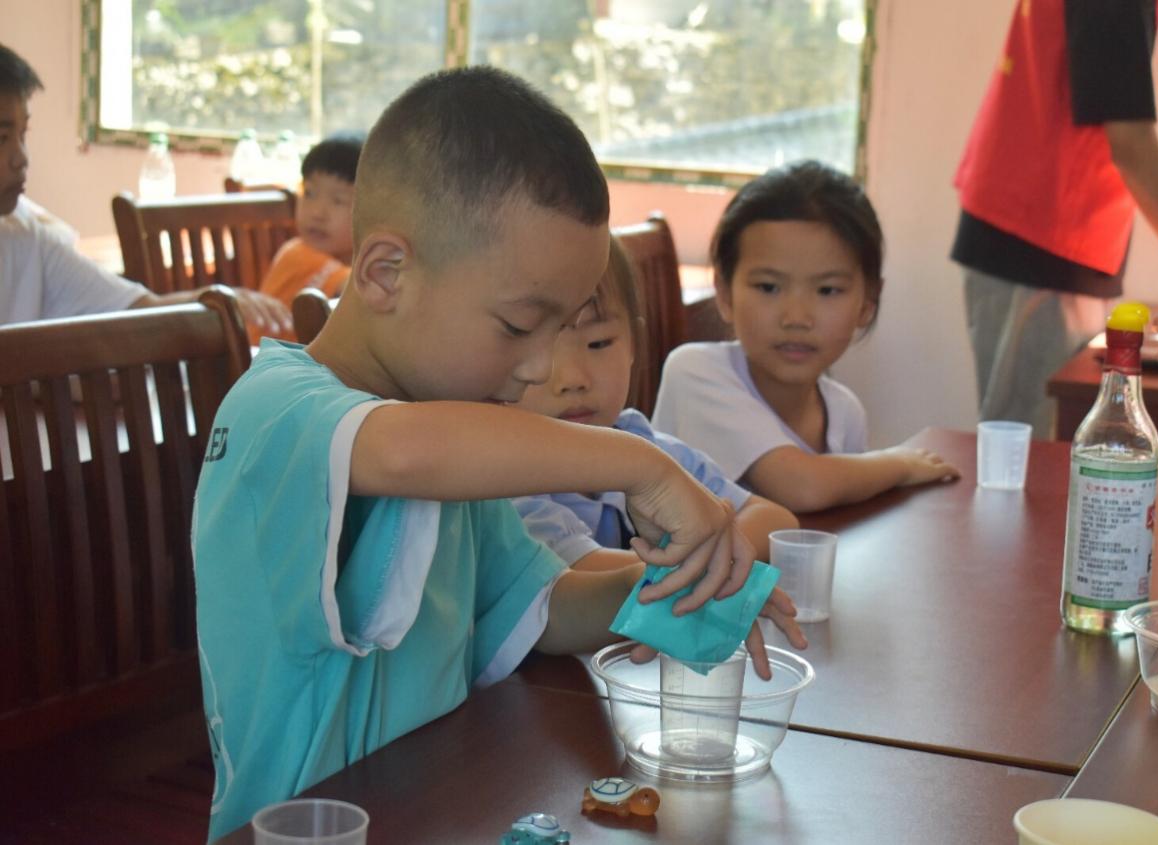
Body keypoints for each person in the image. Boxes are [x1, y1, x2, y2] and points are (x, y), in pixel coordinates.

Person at [194, 66, 801, 840]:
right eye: (518, 326)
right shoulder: (278, 411)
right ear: (385, 273)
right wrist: (641, 465)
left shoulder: (460, 446)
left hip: (440, 806)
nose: (543, 366)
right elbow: (402, 451)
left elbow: (544, 610)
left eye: (564, 327)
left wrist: (682, 590)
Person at [951, 0, 1158, 435]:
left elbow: (1102, 112)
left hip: (1039, 228)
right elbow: (1131, 144)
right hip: (1039, 237)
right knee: (1033, 450)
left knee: (1042, 443)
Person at [653, 160, 958, 514]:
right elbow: (802, 487)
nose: (796, 318)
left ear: (867, 303)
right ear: (724, 294)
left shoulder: (844, 411)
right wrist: (900, 463)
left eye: (827, 290)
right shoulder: (695, 372)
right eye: (768, 287)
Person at [513, 234, 803, 572]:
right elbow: (582, 575)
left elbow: (774, 520)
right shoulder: (507, 482)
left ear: (634, 345)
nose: (574, 379)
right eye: (541, 349)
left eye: (599, 343)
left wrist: (686, 563)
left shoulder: (645, 445)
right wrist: (705, 558)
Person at [0, 43, 290, 331]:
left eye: (23, 135)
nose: (21, 158)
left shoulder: (27, 238)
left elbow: (140, 309)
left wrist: (218, 299)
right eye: (2, 138)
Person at [252, 133, 363, 343]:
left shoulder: (350, 261)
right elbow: (365, 288)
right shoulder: (298, 254)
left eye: (338, 201)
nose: (317, 213)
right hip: (257, 359)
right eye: (310, 194)